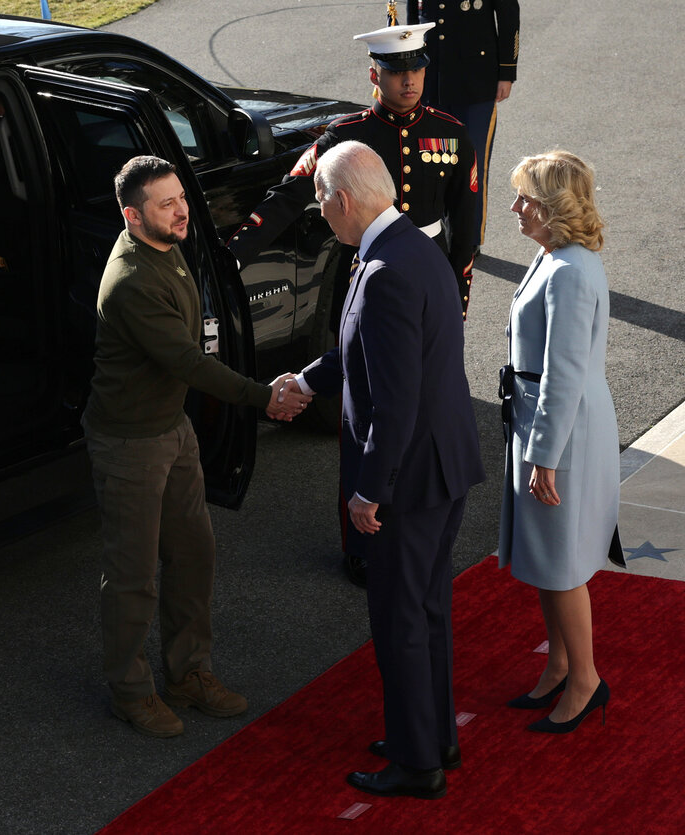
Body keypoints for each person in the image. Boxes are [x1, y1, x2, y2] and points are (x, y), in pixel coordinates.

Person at [281, 141, 484, 798]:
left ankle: (416, 761)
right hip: (442, 465)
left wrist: (369, 490)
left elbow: (393, 402)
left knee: (399, 617)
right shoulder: (413, 247)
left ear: (342, 200)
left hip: (408, 478)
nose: (321, 213)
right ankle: (432, 736)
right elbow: (363, 346)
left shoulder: (384, 270)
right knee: (426, 611)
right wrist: (310, 380)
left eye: (321, 201)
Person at [83, 155, 311, 738]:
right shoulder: (132, 280)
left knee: (193, 553)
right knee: (133, 576)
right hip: (131, 443)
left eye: (181, 197)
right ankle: (130, 693)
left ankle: (188, 674)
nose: (183, 210)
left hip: (171, 429)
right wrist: (266, 398)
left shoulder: (167, 242)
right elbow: (186, 361)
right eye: (166, 203)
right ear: (133, 216)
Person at [227, 21, 480, 318]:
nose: (409, 81)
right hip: (364, 266)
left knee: (432, 355)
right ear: (375, 75)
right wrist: (233, 256)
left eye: (416, 69)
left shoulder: (451, 133)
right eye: (397, 72)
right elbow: (289, 195)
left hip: (431, 264)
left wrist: (458, 286)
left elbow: (464, 219)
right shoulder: (345, 134)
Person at [498, 150, 619, 733]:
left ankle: (586, 681)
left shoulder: (568, 269)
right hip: (544, 420)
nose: (516, 208)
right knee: (549, 558)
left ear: (554, 209)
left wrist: (543, 454)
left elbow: (563, 372)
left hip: (558, 430)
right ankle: (560, 666)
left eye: (527, 199)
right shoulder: (556, 256)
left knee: (563, 564)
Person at [409, 0, 520, 245]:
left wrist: (506, 72)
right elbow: (410, 21)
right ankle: (437, 233)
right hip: (433, 82)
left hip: (476, 83)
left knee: (472, 164)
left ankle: (466, 239)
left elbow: (509, 17)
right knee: (434, 163)